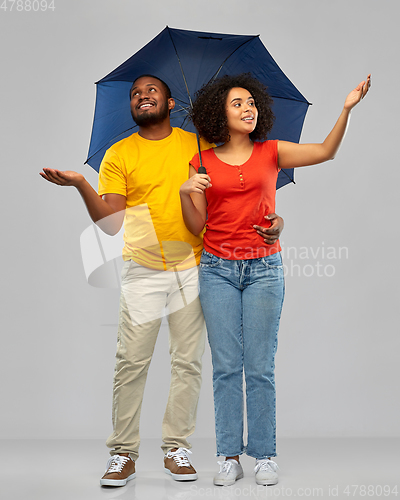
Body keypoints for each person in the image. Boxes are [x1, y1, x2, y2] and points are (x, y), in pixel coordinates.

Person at [40, 74, 285, 486]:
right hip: (142, 270)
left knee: (187, 362)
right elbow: (110, 224)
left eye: (151, 90)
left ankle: (177, 447)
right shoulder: (119, 155)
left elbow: (239, 187)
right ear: (132, 107)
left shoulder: (199, 145)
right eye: (136, 94)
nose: (142, 96)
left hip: (197, 267)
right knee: (131, 362)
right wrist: (82, 184)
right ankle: (123, 453)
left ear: (171, 103)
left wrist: (274, 219)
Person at [180, 73, 371, 486]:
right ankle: (228, 456)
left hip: (264, 268)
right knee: (227, 367)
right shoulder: (200, 162)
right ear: (218, 114)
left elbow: (325, 152)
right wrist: (186, 190)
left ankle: (264, 455)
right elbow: (197, 227)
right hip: (217, 270)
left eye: (251, 102)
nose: (247, 108)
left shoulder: (270, 151)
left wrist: (346, 109)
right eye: (237, 104)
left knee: (260, 367)